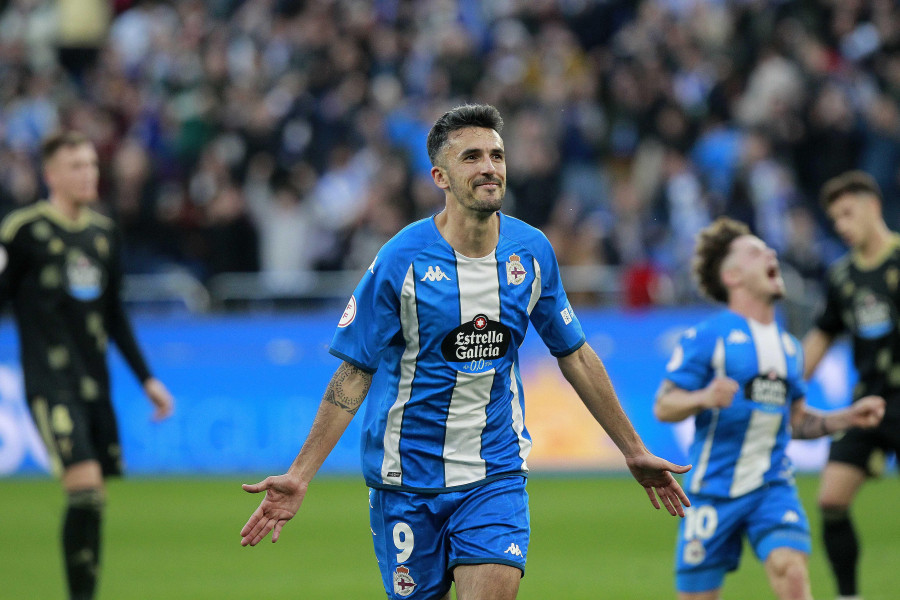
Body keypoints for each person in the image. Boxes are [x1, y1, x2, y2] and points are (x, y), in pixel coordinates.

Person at [240, 103, 691, 600]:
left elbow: (576, 355)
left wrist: (632, 448)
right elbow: (354, 373)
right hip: (406, 480)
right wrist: (300, 474)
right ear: (440, 176)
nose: (489, 167)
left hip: (493, 474)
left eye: (496, 155)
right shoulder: (400, 261)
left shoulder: (531, 251)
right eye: (472, 157)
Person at [655, 217, 884, 600]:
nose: (771, 253)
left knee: (791, 572)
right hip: (712, 493)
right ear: (732, 276)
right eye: (756, 251)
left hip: (772, 487)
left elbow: (797, 422)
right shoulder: (707, 336)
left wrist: (847, 417)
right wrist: (703, 397)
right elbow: (664, 405)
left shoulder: (791, 349)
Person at [0, 131, 175, 600]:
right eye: (76, 166)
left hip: (94, 384)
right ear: (50, 174)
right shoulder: (23, 232)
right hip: (48, 380)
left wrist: (147, 379)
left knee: (95, 500)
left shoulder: (103, 234)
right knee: (85, 486)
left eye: (92, 165)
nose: (87, 174)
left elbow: (114, 314)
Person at [802, 170, 900, 600]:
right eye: (834, 218)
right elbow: (823, 333)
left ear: (872, 206)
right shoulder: (842, 277)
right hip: (867, 403)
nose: (841, 224)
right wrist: (785, 380)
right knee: (831, 501)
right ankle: (848, 596)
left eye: (847, 212)